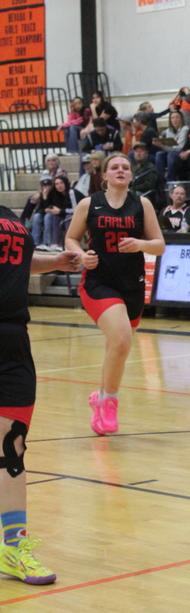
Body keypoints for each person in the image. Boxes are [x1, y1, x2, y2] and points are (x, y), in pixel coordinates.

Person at [0, 207, 80, 585]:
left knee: (10, 446)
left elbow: (17, 261)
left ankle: (13, 550)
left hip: (14, 337)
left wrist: (57, 262)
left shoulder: (8, 215)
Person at [65, 154, 165, 435]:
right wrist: (82, 255)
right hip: (98, 282)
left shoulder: (142, 204)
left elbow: (159, 246)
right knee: (121, 339)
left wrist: (140, 243)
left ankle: (99, 396)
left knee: (117, 347)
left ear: (131, 175)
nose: (120, 170)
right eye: (114, 167)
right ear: (105, 175)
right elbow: (71, 238)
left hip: (132, 284)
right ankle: (109, 402)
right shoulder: (90, 203)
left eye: (125, 167)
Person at [155, 109, 189, 180]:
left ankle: (170, 179)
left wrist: (162, 146)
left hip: (182, 152)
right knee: (159, 154)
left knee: (171, 155)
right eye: (172, 118)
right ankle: (161, 180)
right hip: (171, 151)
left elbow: (179, 147)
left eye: (177, 117)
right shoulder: (168, 130)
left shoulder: (185, 129)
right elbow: (169, 144)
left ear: (181, 119)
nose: (175, 120)